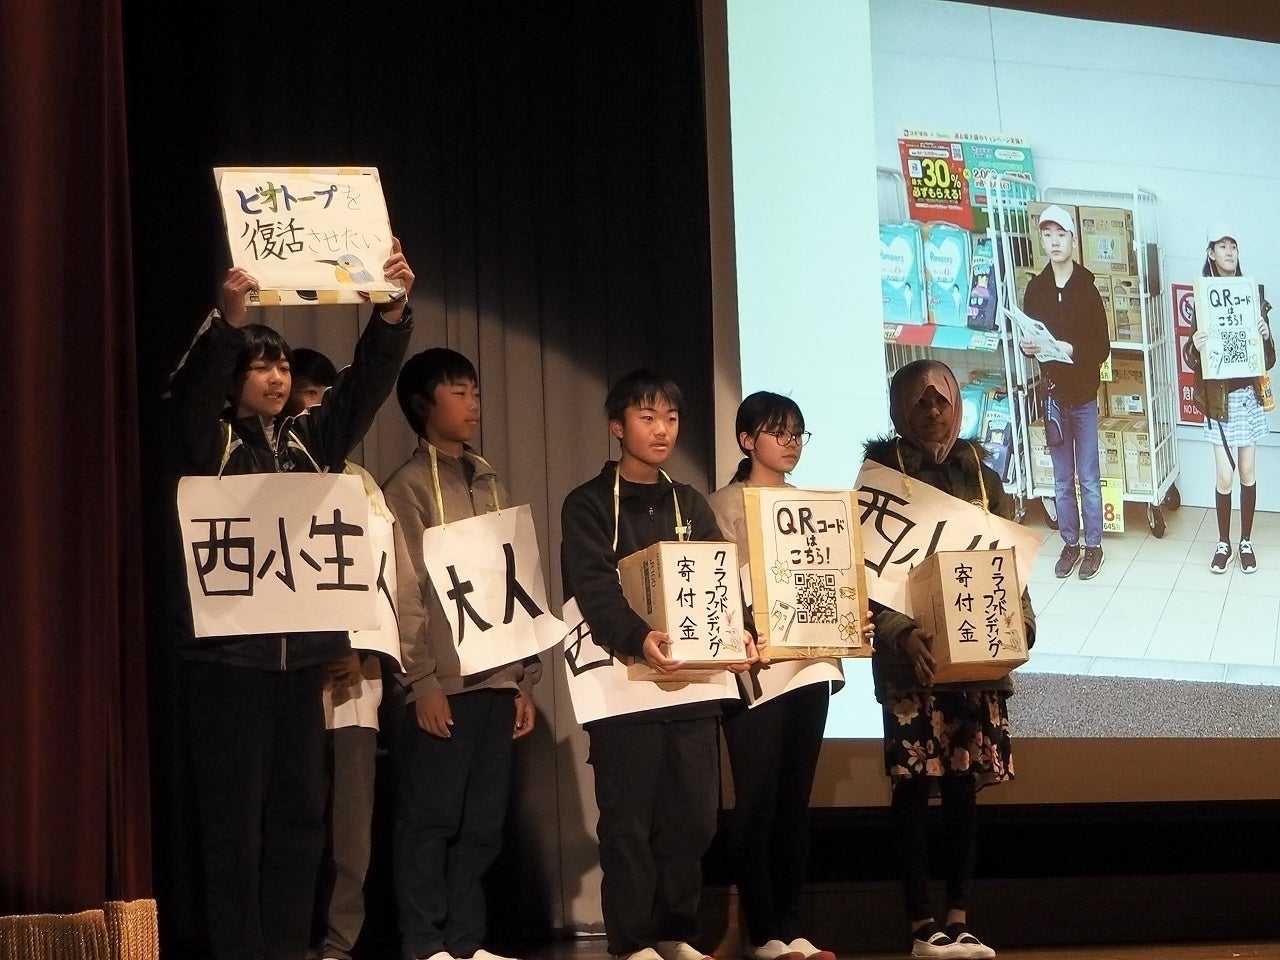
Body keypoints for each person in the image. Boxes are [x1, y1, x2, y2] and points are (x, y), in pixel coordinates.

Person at [166, 245, 415, 960]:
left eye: (281, 366)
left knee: (302, 818)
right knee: (234, 824)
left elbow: (364, 388)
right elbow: (188, 399)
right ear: (234, 379)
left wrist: (391, 313)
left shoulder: (310, 444)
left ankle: (285, 948)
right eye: (260, 366)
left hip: (302, 663)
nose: (276, 378)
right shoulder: (211, 443)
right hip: (229, 662)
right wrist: (228, 325)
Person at [560, 369, 757, 960]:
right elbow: (594, 586)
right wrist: (637, 637)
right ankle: (633, 940)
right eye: (647, 418)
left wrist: (741, 633)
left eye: (670, 418)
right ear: (617, 427)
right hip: (623, 686)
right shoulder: (589, 503)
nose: (662, 429)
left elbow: (717, 577)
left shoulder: (688, 501)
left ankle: (675, 930)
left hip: (692, 686)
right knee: (628, 822)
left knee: (693, 820)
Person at [863, 359, 1035, 960]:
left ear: (959, 406)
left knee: (965, 788)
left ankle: (960, 919)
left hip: (977, 664)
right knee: (913, 790)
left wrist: (1022, 624)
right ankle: (920, 924)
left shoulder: (985, 480)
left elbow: (1010, 568)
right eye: (920, 402)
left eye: (943, 400)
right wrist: (901, 635)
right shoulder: (881, 482)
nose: (934, 411)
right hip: (910, 665)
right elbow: (863, 577)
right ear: (899, 412)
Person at [382, 347, 541, 960]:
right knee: (431, 818)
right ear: (423, 405)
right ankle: (425, 941)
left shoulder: (488, 477)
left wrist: (522, 677)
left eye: (475, 391)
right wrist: (421, 680)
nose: (473, 403)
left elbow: (513, 579)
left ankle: (465, 942)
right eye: (458, 391)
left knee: (482, 824)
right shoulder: (407, 487)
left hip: (495, 678)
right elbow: (404, 589)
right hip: (444, 681)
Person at [707, 392, 868, 960]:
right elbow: (717, 584)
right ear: (747, 440)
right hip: (756, 669)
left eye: (798, 433)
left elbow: (836, 579)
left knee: (795, 801)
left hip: (811, 665)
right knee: (757, 800)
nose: (791, 443)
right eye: (779, 432)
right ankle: (762, 932)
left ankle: (791, 926)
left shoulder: (816, 506)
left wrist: (852, 613)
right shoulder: (722, 505)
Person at [285, 348, 393, 960]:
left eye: (329, 397)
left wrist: (364, 649)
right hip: (292, 676)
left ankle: (337, 943)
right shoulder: (270, 474)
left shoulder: (364, 484)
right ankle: (289, 936)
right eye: (309, 395)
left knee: (351, 830)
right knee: (296, 818)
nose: (319, 407)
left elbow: (386, 578)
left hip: (356, 679)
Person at [1019, 204, 1111, 581]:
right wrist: (1027, 347)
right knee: (1061, 479)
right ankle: (1069, 543)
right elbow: (1030, 334)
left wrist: (1073, 349)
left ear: (1073, 239)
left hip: (1084, 395)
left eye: (1061, 234)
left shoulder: (1087, 290)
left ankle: (1094, 546)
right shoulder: (1036, 289)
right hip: (1053, 397)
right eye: (1048, 235)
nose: (1054, 241)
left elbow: (1102, 347)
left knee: (1088, 476)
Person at [1183, 224, 1275, 573]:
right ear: (1211, 252)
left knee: (1247, 471)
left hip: (1247, 397)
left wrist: (1265, 337)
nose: (1229, 252)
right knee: (1225, 475)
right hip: (1218, 401)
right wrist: (1196, 345)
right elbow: (1191, 356)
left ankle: (1245, 541)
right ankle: (1224, 541)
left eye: (1233, 245)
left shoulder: (1251, 295)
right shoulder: (1204, 298)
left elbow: (1268, 359)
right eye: (1222, 246)